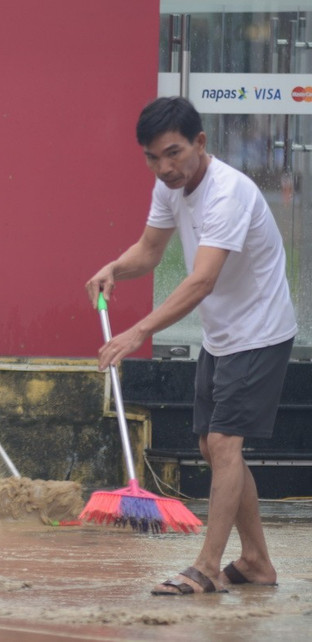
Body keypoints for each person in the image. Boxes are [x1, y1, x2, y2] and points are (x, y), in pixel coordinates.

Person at [85, 96, 296, 595]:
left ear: (201, 143)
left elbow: (200, 281)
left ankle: (206, 566)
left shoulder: (228, 195)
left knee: (224, 444)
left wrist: (138, 331)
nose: (164, 168)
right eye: (152, 158)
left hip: (260, 330)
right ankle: (258, 562)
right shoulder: (171, 188)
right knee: (210, 444)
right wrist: (116, 267)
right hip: (222, 331)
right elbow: (151, 251)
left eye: (174, 153)